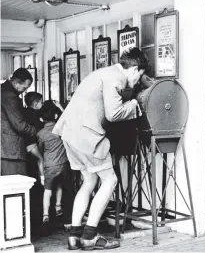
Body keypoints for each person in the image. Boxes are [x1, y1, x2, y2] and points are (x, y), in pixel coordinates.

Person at [53, 47, 150, 250]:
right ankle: (90, 236)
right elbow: (114, 114)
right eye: (139, 76)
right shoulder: (117, 79)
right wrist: (134, 103)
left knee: (89, 180)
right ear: (134, 69)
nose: (137, 81)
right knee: (110, 180)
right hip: (87, 135)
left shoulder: (101, 73)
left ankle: (74, 236)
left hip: (69, 132)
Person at [37, 100, 71, 234]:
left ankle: (45, 216)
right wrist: (60, 107)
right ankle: (58, 207)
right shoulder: (61, 128)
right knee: (60, 185)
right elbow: (68, 119)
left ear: (40, 119)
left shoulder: (40, 134)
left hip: (49, 166)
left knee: (47, 190)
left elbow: (40, 151)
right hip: (64, 165)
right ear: (56, 117)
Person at [1, 68, 37, 176]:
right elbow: (20, 125)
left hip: (3, 149)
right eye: (24, 88)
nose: (24, 91)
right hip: (10, 151)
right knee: (17, 187)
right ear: (17, 83)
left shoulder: (2, 90)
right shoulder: (10, 96)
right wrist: (36, 130)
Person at [24, 91, 44, 181]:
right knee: (41, 160)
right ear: (35, 104)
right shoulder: (36, 114)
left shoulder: (24, 112)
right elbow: (39, 128)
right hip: (32, 143)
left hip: (25, 144)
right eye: (41, 102)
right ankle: (42, 180)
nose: (42, 104)